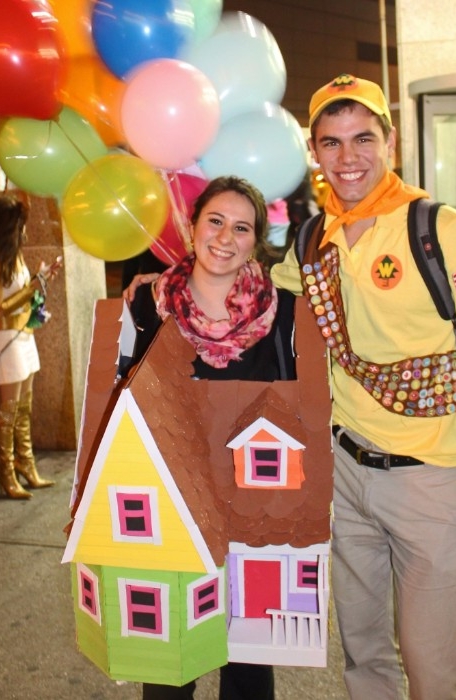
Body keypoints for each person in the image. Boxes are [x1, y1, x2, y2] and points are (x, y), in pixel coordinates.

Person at [271, 74, 456, 699]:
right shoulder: (312, 239)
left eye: (363, 139)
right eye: (331, 143)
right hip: (347, 476)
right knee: (363, 654)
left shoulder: (444, 230)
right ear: (314, 151)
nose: (347, 158)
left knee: (435, 666)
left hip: (430, 479)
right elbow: (248, 302)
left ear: (392, 142)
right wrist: (161, 287)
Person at [125, 175, 292, 700]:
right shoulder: (146, 306)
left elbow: (300, 413)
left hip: (254, 510)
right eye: (214, 221)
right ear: (191, 225)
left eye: (241, 228)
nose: (225, 237)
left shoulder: (284, 313)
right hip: (171, 509)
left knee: (248, 666)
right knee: (171, 664)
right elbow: (120, 408)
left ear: (256, 241)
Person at [0, 196, 61, 500]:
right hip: (6, 340)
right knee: (8, 410)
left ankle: (26, 464)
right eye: (21, 226)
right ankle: (6, 470)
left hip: (23, 336)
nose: (25, 231)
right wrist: (30, 289)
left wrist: (41, 281)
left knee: (25, 407)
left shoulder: (14, 257)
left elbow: (22, 294)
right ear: (9, 228)